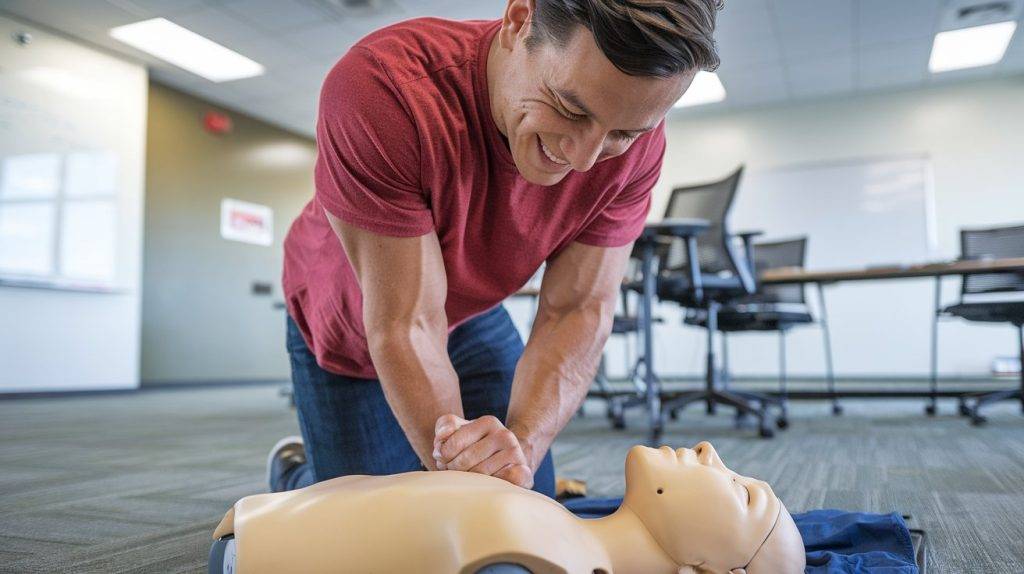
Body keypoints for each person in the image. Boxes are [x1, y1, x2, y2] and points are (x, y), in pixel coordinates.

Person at [272, 0, 724, 497]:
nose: (584, 159)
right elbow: (409, 322)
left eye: (621, 134)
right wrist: (460, 473)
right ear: (518, 21)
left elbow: (578, 308)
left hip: (471, 311)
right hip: (351, 312)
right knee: (380, 529)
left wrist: (518, 454)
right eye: (571, 109)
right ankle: (298, 473)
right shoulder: (383, 88)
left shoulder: (638, 151)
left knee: (526, 500)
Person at [214, 442, 806, 573]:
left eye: (743, 491)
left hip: (255, 551)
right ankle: (295, 471)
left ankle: (296, 471)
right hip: (267, 523)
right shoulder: (555, 531)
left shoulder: (551, 552)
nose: (711, 451)